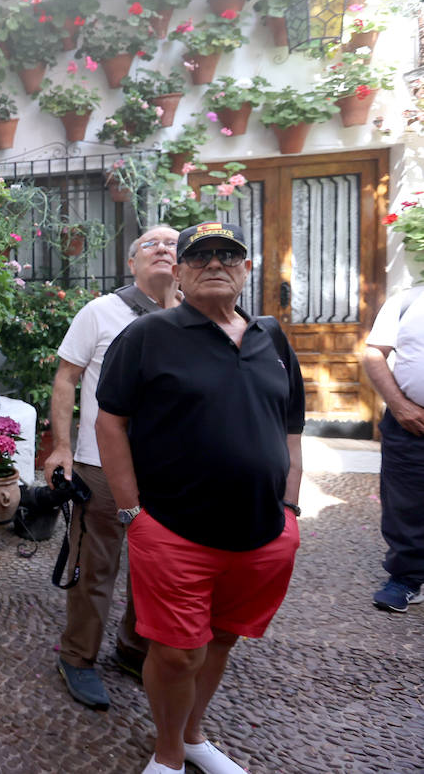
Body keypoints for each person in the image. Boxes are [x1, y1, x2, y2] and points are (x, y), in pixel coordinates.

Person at [95, 222, 304, 774]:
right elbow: (110, 420)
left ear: (246, 269)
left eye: (227, 255)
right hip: (173, 529)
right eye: (201, 255)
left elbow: (290, 428)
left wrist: (291, 511)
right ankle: (166, 754)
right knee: (177, 650)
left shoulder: (272, 336)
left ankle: (192, 736)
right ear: (181, 272)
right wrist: (131, 512)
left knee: (222, 640)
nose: (215, 263)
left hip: (262, 532)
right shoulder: (149, 335)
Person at [45, 224, 180, 710]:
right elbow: (66, 378)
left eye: (173, 244)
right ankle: (77, 657)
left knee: (156, 567)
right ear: (133, 261)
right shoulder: (101, 312)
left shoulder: (195, 316)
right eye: (152, 244)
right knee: (95, 566)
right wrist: (61, 448)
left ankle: (132, 649)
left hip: (167, 471)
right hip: (100, 465)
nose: (164, 249)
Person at [362, 283, 424, 612]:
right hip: (411, 421)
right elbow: (374, 353)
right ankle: (407, 578)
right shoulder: (407, 300)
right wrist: (399, 406)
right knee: (405, 505)